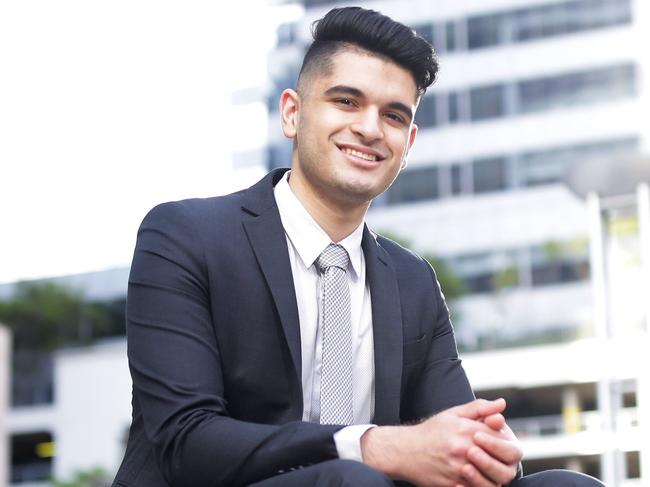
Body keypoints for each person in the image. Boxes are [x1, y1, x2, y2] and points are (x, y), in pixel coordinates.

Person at [113, 7, 604, 487]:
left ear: (408, 144)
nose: (370, 128)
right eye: (346, 101)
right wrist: (369, 446)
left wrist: (485, 452)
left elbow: (458, 445)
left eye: (392, 116)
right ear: (292, 113)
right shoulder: (184, 236)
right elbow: (185, 442)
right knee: (351, 478)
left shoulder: (412, 282)